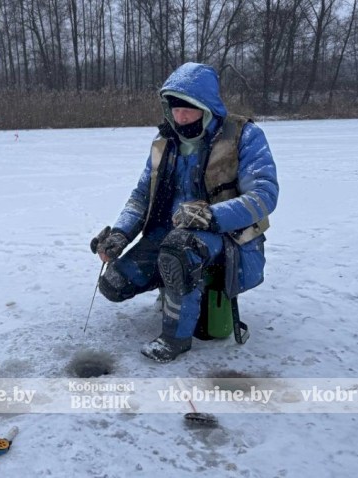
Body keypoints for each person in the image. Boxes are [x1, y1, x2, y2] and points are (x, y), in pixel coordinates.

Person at [89, 62, 279, 363]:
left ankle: (175, 338)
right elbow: (141, 196)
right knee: (114, 284)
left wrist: (211, 216)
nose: (181, 118)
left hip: (224, 235)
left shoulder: (244, 135)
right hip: (165, 233)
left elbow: (264, 195)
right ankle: (175, 284)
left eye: (188, 110)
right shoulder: (164, 143)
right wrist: (121, 233)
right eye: (175, 110)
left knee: (178, 252)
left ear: (207, 108)